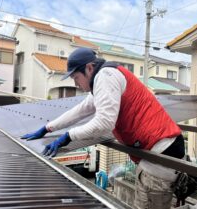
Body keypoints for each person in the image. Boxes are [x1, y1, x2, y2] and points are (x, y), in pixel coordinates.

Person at [21, 47, 185, 209]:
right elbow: (81, 110)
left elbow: (104, 122)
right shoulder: (103, 78)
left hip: (161, 154)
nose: (75, 83)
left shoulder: (105, 77)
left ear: (89, 68)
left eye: (76, 77)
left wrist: (68, 136)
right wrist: (47, 128)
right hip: (157, 149)